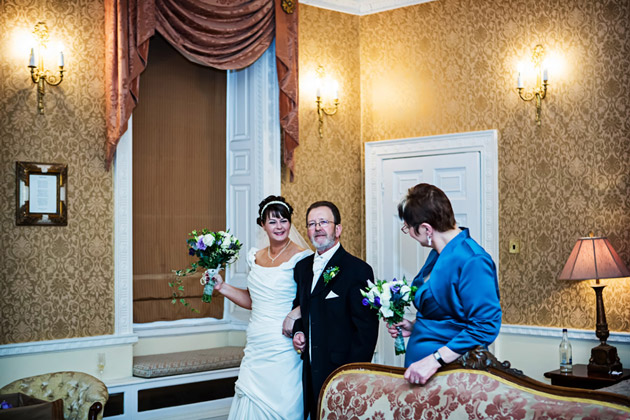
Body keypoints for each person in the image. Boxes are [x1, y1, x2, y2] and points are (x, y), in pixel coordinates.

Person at [388, 183, 502, 386]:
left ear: (426, 228)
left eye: (408, 228)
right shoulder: (437, 254)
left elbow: (485, 325)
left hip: (448, 374)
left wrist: (435, 360)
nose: (410, 234)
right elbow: (448, 314)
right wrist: (414, 327)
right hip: (421, 370)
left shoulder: (472, 260)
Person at [210, 195, 313, 419]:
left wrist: (296, 315)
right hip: (256, 343)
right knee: (250, 398)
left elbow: (312, 299)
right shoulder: (254, 257)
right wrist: (222, 287)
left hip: (284, 344)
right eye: (273, 221)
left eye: (284, 220)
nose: (279, 226)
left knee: (281, 404)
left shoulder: (303, 258)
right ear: (262, 224)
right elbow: (253, 300)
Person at [292, 201, 378, 420]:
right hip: (309, 370)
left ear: (337, 229)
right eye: (312, 224)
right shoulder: (302, 268)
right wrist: (298, 331)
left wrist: (351, 375)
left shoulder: (357, 270)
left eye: (323, 222)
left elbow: (366, 330)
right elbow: (301, 307)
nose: (317, 228)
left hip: (340, 371)